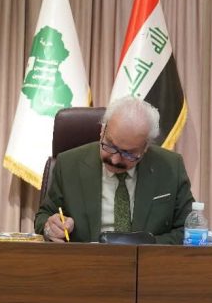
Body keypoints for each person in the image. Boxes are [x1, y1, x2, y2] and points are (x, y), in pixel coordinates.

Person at [35, 96, 195, 244]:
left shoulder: (170, 167)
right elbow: (44, 216)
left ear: (145, 147)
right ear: (102, 131)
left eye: (128, 153)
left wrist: (145, 246)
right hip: (86, 260)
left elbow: (189, 229)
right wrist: (50, 228)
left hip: (148, 262)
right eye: (110, 146)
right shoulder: (69, 164)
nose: (115, 159)